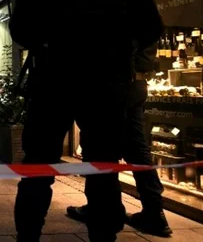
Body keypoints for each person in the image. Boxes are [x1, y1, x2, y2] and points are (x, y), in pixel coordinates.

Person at [9, 0, 164, 242]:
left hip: (53, 83)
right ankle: (104, 236)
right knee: (104, 167)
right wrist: (118, 46)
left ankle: (29, 236)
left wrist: (53, 41)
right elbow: (152, 29)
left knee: (38, 168)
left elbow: (21, 31)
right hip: (108, 86)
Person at [66, 44, 172, 237]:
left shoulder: (114, 14)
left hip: (106, 82)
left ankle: (102, 209)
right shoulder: (146, 15)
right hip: (135, 83)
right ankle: (154, 211)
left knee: (99, 147)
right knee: (137, 149)